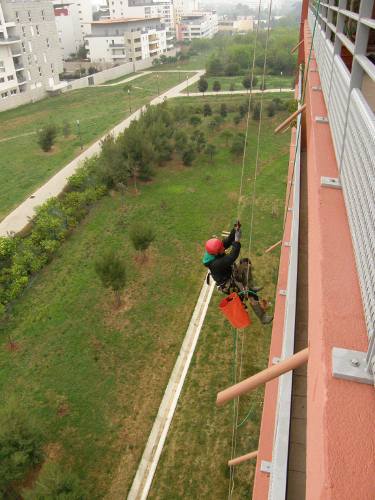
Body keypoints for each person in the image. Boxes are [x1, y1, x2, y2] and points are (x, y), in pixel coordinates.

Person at [202, 222, 273, 325]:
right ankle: (263, 317)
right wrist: (237, 240)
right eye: (221, 248)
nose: (223, 248)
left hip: (231, 275)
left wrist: (235, 230)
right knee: (249, 294)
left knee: (245, 263)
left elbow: (227, 241)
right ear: (216, 253)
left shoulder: (215, 251)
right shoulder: (215, 264)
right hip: (228, 284)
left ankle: (251, 286)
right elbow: (232, 256)